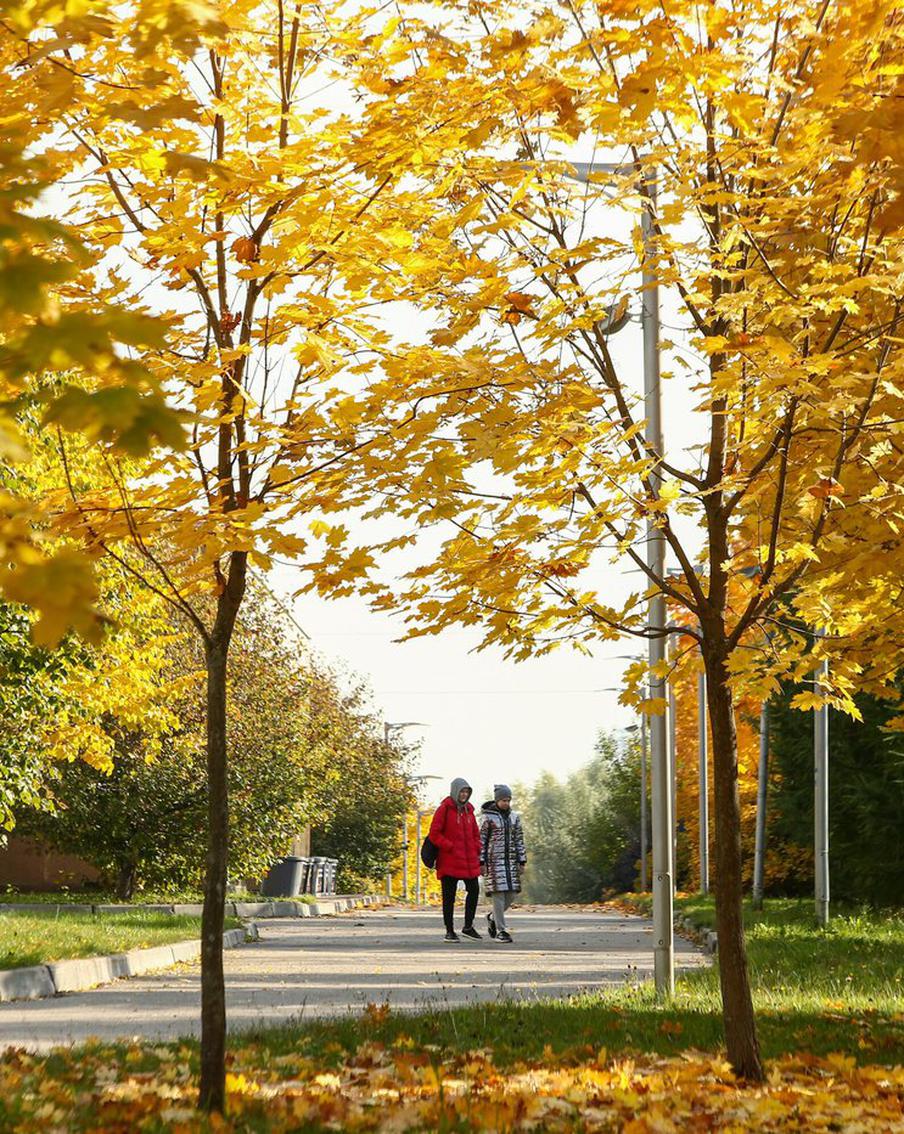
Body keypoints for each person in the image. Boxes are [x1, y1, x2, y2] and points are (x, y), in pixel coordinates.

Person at [429, 776, 482, 942]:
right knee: (449, 896)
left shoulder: (469, 811)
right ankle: (449, 930)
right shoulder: (444, 809)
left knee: (474, 890)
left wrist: (476, 847)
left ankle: (468, 926)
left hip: (468, 860)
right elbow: (434, 834)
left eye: (467, 791)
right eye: (462, 791)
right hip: (449, 860)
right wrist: (449, 846)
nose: (464, 794)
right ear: (455, 791)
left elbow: (475, 834)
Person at [479, 784, 527, 944]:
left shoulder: (514, 817)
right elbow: (481, 841)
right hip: (494, 862)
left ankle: (492, 917)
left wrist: (522, 860)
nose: (506, 803)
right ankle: (502, 931)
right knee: (498, 897)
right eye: (503, 800)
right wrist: (481, 861)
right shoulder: (487, 817)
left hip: (511, 862)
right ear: (497, 800)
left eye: (508, 800)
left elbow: (519, 839)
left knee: (511, 894)